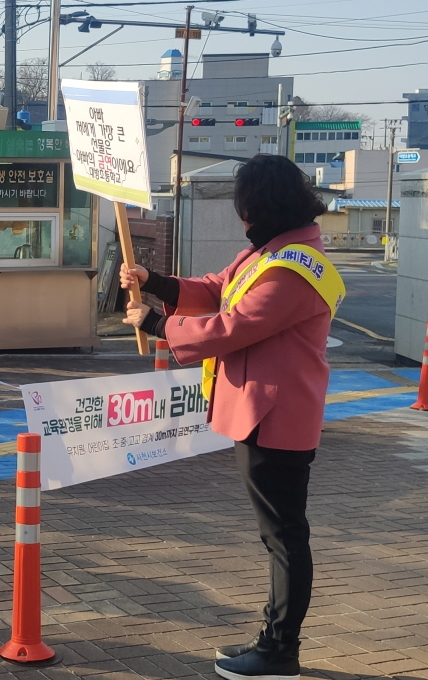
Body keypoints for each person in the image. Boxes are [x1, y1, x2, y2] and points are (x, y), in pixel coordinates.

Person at [118, 154, 344, 680]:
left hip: (276, 414)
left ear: (262, 207)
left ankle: (280, 649)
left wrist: (157, 323)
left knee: (284, 536)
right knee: (279, 534)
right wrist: (157, 281)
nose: (241, 220)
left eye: (244, 208)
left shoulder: (294, 268)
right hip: (265, 411)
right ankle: (273, 636)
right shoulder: (276, 252)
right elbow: (219, 288)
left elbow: (232, 326)